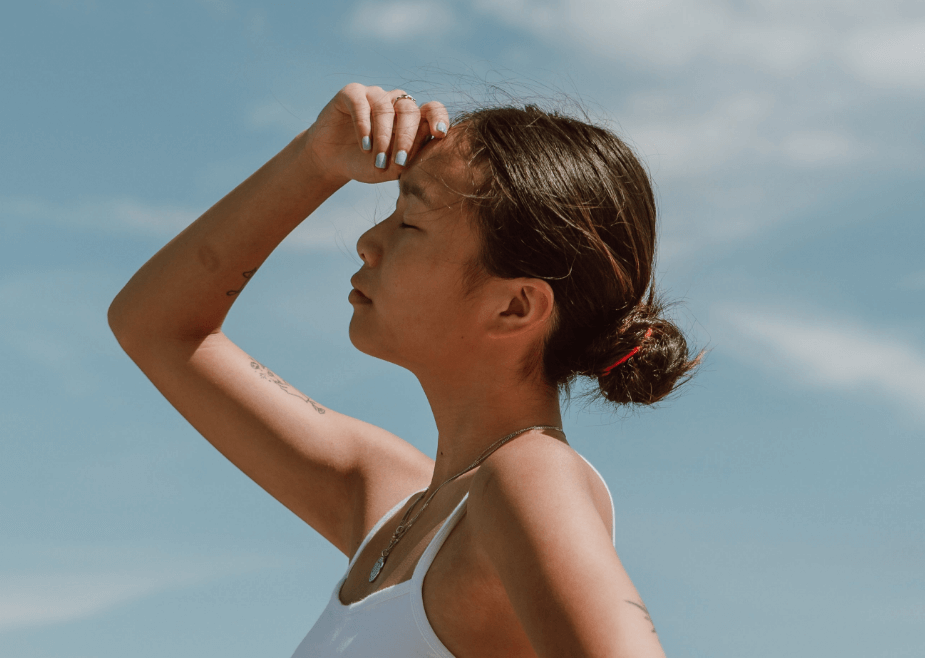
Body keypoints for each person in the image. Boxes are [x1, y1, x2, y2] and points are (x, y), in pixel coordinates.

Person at [108, 83, 699, 657]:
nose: (368, 240)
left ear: (514, 306)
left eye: (410, 223)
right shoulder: (389, 498)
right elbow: (157, 329)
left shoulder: (530, 474)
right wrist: (316, 158)